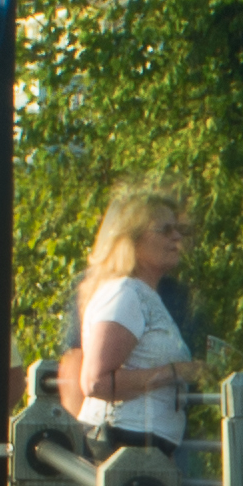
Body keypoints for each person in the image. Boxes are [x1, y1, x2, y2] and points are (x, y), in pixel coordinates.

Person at [57, 190, 197, 444]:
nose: (176, 237)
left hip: (140, 447)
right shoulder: (125, 294)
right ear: (132, 240)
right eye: (165, 230)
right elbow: (95, 382)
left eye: (177, 229)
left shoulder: (145, 294)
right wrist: (175, 372)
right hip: (123, 444)